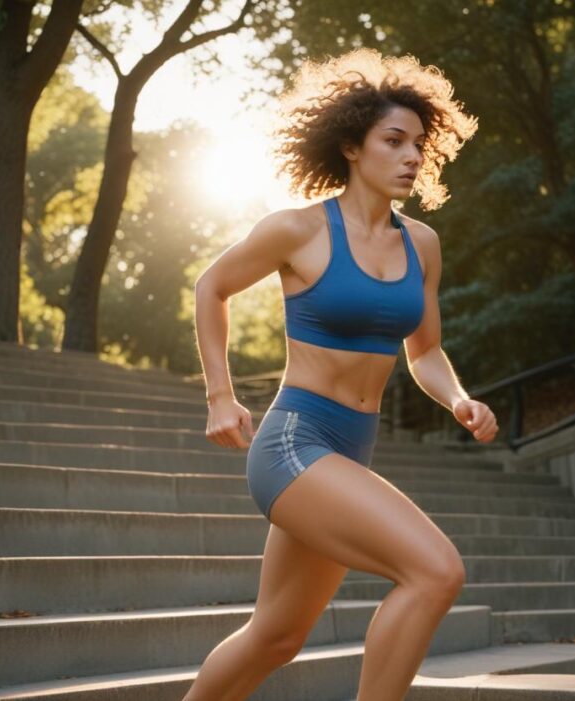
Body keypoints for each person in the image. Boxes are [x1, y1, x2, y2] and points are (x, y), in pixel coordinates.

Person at [186, 47, 498, 701]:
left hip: (351, 449)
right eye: (395, 140)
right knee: (436, 570)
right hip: (295, 443)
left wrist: (459, 399)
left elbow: (425, 352)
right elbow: (212, 285)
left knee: (275, 635)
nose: (413, 155)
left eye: (420, 143)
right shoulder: (297, 230)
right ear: (353, 146)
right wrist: (221, 394)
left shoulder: (422, 245)